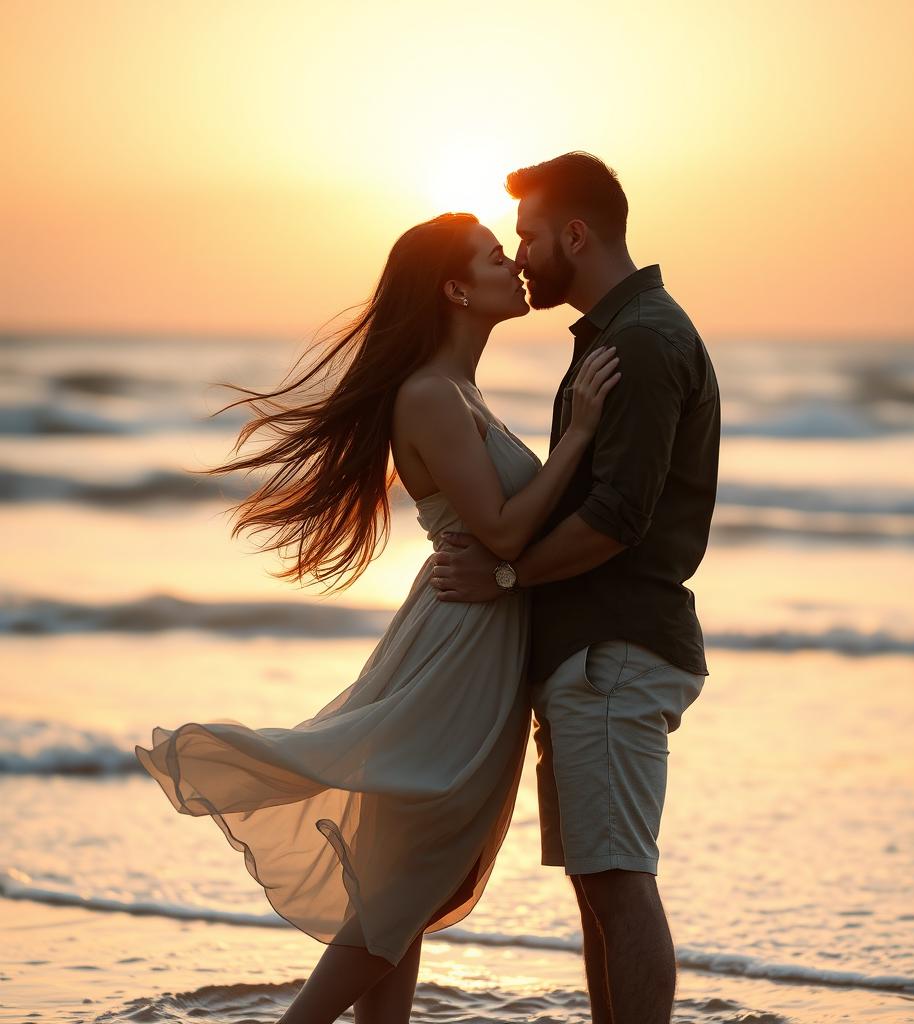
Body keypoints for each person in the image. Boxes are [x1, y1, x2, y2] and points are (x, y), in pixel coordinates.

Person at [133, 211, 621, 1024]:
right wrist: (577, 439)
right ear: (456, 289)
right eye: (495, 257)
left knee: (409, 886)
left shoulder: (460, 391)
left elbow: (499, 532)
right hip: (459, 647)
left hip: (477, 637)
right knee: (417, 876)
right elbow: (501, 530)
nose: (514, 266)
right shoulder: (430, 394)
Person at [429, 153, 721, 1024]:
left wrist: (507, 572)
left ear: (576, 234)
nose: (520, 256)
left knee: (619, 883)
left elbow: (619, 516)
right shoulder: (616, 335)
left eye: (527, 236)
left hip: (614, 653)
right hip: (595, 653)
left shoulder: (639, 340)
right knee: (600, 887)